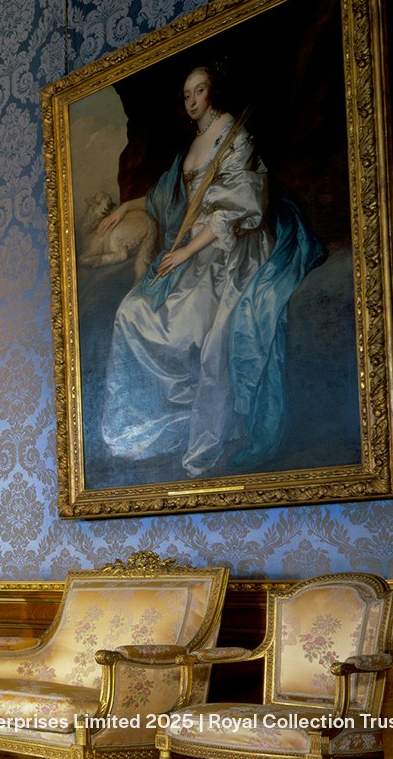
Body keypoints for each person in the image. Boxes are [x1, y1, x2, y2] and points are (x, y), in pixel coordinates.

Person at [95, 64, 323, 477]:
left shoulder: (232, 135)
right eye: (186, 95)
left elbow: (240, 204)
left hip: (230, 246)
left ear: (212, 92)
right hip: (193, 244)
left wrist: (184, 255)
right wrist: (127, 207)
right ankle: (159, 425)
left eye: (199, 91)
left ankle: (214, 427)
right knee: (132, 311)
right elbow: (171, 194)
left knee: (209, 331)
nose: (192, 100)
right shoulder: (195, 142)